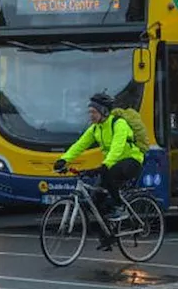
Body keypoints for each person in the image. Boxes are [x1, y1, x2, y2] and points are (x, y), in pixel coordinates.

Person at [54, 93, 144, 249]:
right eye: (90, 112)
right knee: (95, 200)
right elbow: (80, 145)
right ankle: (108, 237)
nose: (91, 115)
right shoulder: (96, 129)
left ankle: (119, 207)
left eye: (93, 112)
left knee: (109, 174)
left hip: (131, 161)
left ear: (104, 111)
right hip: (112, 163)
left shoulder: (118, 124)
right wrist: (64, 159)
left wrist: (106, 164)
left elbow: (118, 146)